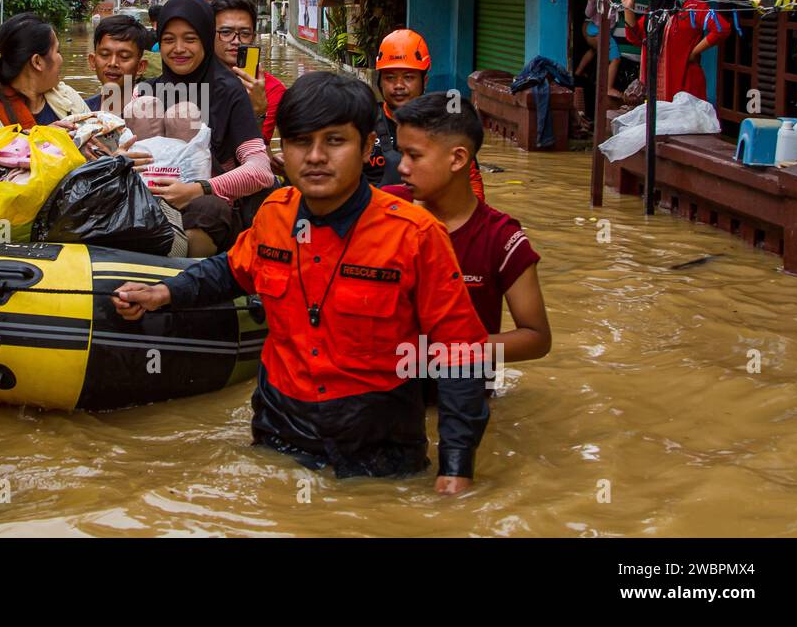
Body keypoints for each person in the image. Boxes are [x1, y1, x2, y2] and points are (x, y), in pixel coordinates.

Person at [111, 72, 490, 492]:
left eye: (334, 141)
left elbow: (461, 355)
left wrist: (456, 469)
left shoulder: (415, 234)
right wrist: (163, 292)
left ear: (367, 148)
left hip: (378, 444)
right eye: (299, 142)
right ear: (282, 150)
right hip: (280, 430)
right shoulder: (274, 213)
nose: (314, 157)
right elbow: (231, 271)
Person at [382, 93, 552, 363]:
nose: (401, 167)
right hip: (394, 398)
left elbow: (536, 338)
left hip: (466, 398)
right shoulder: (385, 209)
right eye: (401, 153)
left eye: (414, 155)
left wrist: (448, 352)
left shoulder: (503, 238)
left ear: (458, 159)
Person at [131, 0, 273, 256]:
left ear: (207, 40)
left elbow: (261, 170)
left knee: (207, 209)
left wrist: (200, 189)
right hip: (149, 198)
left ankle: (191, 282)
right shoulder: (145, 92)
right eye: (168, 40)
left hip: (208, 208)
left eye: (190, 39)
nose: (178, 49)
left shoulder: (230, 91)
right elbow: (124, 149)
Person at [368, 29, 486, 200]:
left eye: (408, 77)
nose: (399, 85)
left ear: (425, 81)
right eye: (390, 78)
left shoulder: (447, 126)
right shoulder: (364, 123)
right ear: (379, 81)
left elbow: (471, 184)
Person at [0, 12, 91, 141]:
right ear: (37, 62)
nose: (61, 59)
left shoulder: (67, 97)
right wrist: (43, 140)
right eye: (57, 51)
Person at [620, 0, 730, 104]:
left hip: (685, 83)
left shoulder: (694, 6)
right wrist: (628, 8)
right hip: (657, 83)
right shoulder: (656, 8)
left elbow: (722, 28)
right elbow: (635, 38)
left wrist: (694, 53)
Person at [211, 0, 287, 144]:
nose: (236, 41)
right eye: (226, 32)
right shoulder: (192, 77)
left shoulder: (271, 89)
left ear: (253, 36)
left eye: (245, 33)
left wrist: (258, 113)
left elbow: (257, 149)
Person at [86, 14, 149, 112]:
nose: (112, 63)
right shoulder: (82, 111)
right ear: (93, 61)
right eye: (105, 54)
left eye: (124, 56)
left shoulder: (152, 114)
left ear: (141, 66)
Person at [575, 0, 623, 99]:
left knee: (593, 50)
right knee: (615, 58)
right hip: (598, 29)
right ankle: (608, 87)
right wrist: (591, 1)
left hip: (599, 29)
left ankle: (578, 72)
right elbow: (588, 13)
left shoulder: (614, 0)